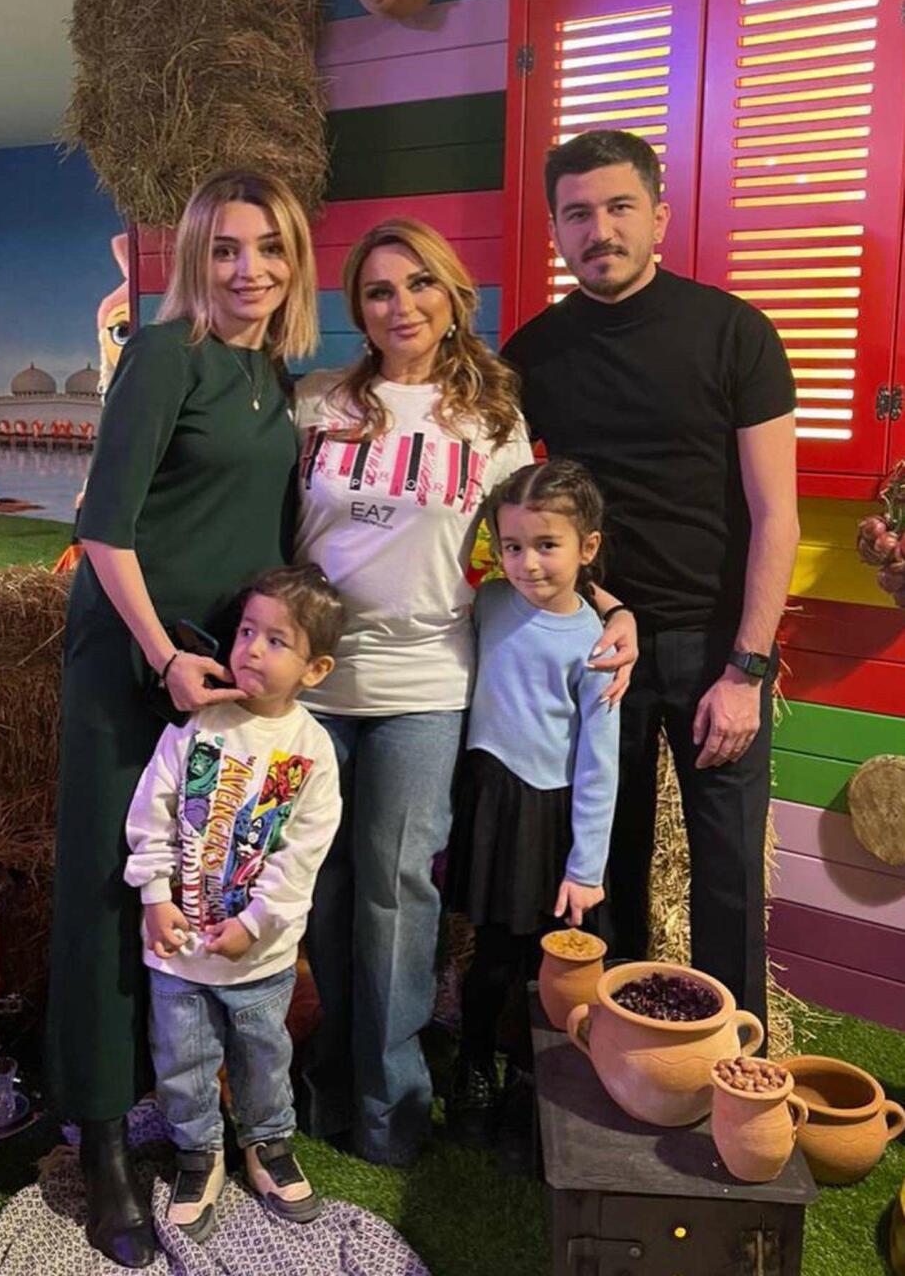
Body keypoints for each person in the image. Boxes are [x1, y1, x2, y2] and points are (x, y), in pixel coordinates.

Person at [292, 217, 638, 1166]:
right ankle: (325, 1082)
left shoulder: (490, 421)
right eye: (377, 290)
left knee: (398, 890)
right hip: (314, 685)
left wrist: (611, 606)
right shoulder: (316, 402)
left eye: (419, 285)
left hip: (424, 683)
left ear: (452, 298)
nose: (399, 306)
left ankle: (391, 1107)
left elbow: (536, 540)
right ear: (357, 308)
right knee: (323, 886)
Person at [45, 168, 319, 1268]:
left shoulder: (272, 373)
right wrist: (162, 654)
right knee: (112, 889)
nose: (249, 269)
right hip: (136, 662)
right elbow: (104, 530)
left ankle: (189, 1105)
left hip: (225, 672)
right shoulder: (164, 355)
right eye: (226, 248)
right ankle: (103, 1143)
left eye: (271, 248)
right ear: (196, 257)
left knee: (199, 884)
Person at [502, 129, 799, 1037]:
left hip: (716, 647)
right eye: (576, 214)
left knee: (726, 874)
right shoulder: (533, 353)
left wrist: (746, 670)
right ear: (556, 230)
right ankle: (617, 1050)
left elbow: (775, 516)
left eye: (619, 206)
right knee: (605, 860)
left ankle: (734, 1056)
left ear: (659, 217)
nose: (599, 229)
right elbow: (507, 505)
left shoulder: (734, 332)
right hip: (597, 645)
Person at [124, 565, 344, 1240]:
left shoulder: (310, 750)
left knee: (262, 1056)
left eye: (277, 641)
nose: (251, 649)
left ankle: (267, 1143)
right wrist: (154, 897)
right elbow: (153, 811)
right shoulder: (197, 723)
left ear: (315, 669)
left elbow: (301, 858)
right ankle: (198, 1152)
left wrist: (255, 924)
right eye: (247, 631)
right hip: (178, 950)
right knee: (182, 1061)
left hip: (261, 959)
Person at [444, 460, 619, 1161]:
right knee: (488, 953)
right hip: (487, 800)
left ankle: (527, 1079)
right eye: (512, 546)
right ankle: (472, 1065)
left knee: (543, 963)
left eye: (547, 545)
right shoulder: (486, 603)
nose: (527, 563)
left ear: (587, 547)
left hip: (547, 816)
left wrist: (586, 866)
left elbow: (599, 763)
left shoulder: (598, 645)